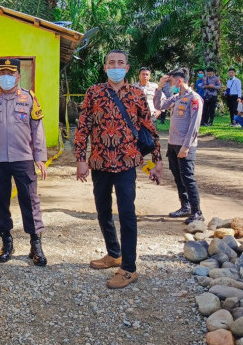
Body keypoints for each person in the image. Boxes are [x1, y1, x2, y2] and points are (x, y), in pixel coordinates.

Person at [75, 50, 162, 289]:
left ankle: (129, 268)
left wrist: (157, 162)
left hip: (126, 163)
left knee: (127, 214)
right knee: (103, 211)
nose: (115, 66)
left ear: (127, 67)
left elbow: (148, 128)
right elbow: (83, 127)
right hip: (100, 162)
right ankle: (114, 253)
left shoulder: (136, 94)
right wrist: (81, 159)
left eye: (120, 63)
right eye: (111, 63)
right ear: (105, 67)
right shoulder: (94, 93)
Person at [0, 58, 48, 266]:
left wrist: (40, 157)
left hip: (23, 158)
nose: (6, 77)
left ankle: (36, 244)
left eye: (10, 73)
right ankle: (6, 241)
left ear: (18, 76)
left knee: (30, 200)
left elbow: (37, 128)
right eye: (2, 73)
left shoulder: (29, 98)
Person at [154, 68, 205, 223]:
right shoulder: (177, 97)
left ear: (179, 81)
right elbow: (159, 106)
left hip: (185, 145)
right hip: (173, 144)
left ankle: (197, 212)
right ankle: (185, 206)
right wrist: (159, 88)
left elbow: (194, 125)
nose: (170, 85)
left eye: (171, 82)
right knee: (178, 176)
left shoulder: (194, 98)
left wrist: (186, 146)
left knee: (188, 177)